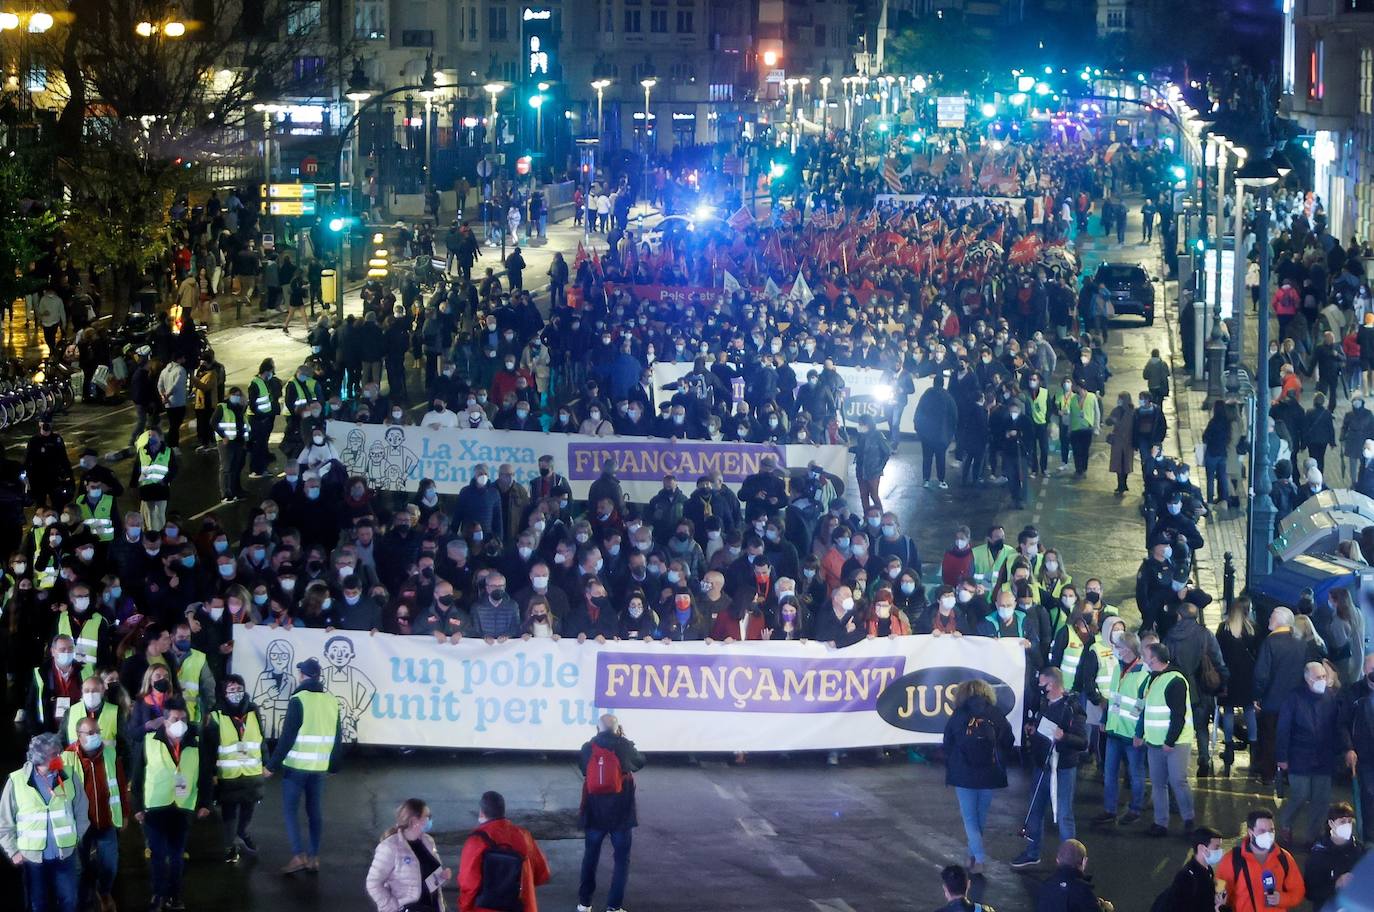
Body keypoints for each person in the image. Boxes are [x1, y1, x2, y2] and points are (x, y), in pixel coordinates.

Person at [130, 698, 212, 912]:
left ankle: (174, 896)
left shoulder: (195, 743)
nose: (180, 723)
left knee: (177, 856)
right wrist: (137, 806)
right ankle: (158, 894)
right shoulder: (149, 741)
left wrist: (205, 802)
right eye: (175, 719)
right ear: (165, 721)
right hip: (155, 807)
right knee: (157, 855)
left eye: (183, 718)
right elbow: (137, 776)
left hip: (183, 806)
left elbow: (204, 775)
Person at [265, 657, 342, 875]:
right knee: (314, 812)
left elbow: (287, 737)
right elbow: (337, 736)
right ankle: (314, 857)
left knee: (290, 811)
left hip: (296, 768)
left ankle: (299, 855)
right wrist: (334, 765)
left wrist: (271, 765)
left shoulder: (298, 699)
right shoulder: (331, 700)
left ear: (302, 676)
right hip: (319, 768)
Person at [0, 733, 88, 912]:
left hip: (65, 855)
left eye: (58, 752)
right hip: (33, 860)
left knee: (69, 901)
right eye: (54, 754)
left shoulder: (69, 775)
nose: (59, 757)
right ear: (40, 758)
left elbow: (81, 808)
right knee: (38, 904)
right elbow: (5, 822)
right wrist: (13, 851)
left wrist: (76, 836)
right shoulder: (16, 781)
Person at [1011, 667, 1087, 869]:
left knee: (1063, 814)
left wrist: (1064, 737)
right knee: (1035, 810)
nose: (1039, 688)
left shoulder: (1072, 708)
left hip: (1061, 769)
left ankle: (1071, 862)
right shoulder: (1045, 703)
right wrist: (1034, 731)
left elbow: (1082, 742)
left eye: (1042, 684)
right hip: (1042, 765)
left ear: (1052, 684)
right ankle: (1033, 852)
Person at [942, 678, 1015, 874]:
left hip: (963, 774)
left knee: (969, 820)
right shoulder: (995, 713)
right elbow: (1009, 739)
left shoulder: (958, 715)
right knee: (979, 818)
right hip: (989, 773)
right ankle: (972, 856)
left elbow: (947, 743)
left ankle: (979, 859)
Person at [577, 713, 645, 912]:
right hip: (621, 816)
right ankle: (614, 907)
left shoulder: (587, 748)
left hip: (594, 813)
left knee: (590, 857)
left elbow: (583, 770)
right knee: (621, 861)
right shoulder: (624, 746)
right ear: (618, 728)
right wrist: (623, 740)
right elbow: (641, 762)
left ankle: (584, 904)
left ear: (597, 729)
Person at [1276, 661, 1349, 846]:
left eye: (1324, 677)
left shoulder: (1330, 697)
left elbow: (1337, 726)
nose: (1322, 680)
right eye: (1318, 677)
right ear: (1307, 678)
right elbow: (1283, 728)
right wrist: (1282, 757)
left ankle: (1313, 837)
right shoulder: (1294, 698)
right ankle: (1285, 824)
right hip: (1299, 756)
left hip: (1324, 758)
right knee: (1300, 795)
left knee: (1321, 800)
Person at [65, 714, 128, 912]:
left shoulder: (109, 753)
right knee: (80, 868)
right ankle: (84, 901)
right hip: (80, 825)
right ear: (78, 735)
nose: (95, 736)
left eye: (97, 732)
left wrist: (125, 813)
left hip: (106, 820)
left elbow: (120, 783)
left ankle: (104, 892)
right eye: (90, 733)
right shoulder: (66, 758)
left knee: (110, 864)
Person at [204, 674, 267, 863]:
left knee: (248, 809)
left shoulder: (253, 711)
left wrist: (266, 763)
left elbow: (261, 740)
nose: (236, 693)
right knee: (229, 812)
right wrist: (213, 774)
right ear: (224, 693)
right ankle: (230, 846)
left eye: (239, 689)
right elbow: (209, 748)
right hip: (228, 775)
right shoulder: (215, 715)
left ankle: (243, 833)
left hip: (252, 772)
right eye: (231, 690)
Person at [457, 790, 550, 912]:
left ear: (481, 813)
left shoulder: (476, 841)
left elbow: (468, 883)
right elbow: (542, 874)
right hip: (521, 905)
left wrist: (464, 907)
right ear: (503, 811)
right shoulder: (524, 835)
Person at [1092, 631, 1148, 826]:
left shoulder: (1143, 672)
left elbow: (1142, 705)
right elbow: (1114, 698)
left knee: (1136, 773)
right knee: (1110, 773)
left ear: (1129, 649)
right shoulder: (1118, 669)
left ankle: (1135, 809)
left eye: (1119, 647)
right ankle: (1110, 809)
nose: (1115, 650)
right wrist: (1105, 718)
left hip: (1132, 734)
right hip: (1115, 731)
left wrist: (1139, 733)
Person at [1140, 641, 1195, 837]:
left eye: (1145, 655)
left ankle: (1189, 819)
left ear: (1154, 659)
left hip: (1175, 743)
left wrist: (1169, 741)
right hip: (1155, 742)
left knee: (1178, 780)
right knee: (1158, 783)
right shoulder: (1154, 678)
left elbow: (1178, 715)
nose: (1143, 658)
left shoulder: (1174, 680)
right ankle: (1160, 822)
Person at [366, 798, 452, 912]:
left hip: (433, 907)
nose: (430, 820)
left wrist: (442, 877)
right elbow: (373, 883)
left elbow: (429, 874)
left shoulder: (428, 841)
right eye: (427, 816)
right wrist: (391, 906)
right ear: (414, 821)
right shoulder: (390, 847)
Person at [1254, 606, 1307, 785]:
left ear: (1279, 621)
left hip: (1272, 702)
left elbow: (1261, 674)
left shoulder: (1270, 642)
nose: (1269, 619)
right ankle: (1288, 775)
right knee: (1291, 739)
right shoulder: (1301, 642)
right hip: (1295, 702)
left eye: (1271, 617)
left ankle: (1268, 775)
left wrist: (1257, 696)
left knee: (1269, 739)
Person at [1214, 808, 1305, 912]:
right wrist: (1220, 897)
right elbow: (1220, 885)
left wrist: (1281, 899)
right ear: (1250, 832)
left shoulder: (1284, 858)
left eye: (1271, 830)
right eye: (1262, 831)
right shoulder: (1232, 859)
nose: (1268, 835)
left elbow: (1298, 891)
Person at [1303, 802, 1363, 908]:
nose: (1347, 825)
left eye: (1349, 822)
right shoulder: (1318, 854)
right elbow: (1310, 892)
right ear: (1331, 823)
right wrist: (1336, 884)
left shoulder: (1358, 849)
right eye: (1342, 822)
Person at [1034, 840, 1112, 912]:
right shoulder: (1084, 892)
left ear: (1057, 860)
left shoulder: (1045, 885)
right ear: (1084, 861)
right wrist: (1106, 909)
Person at [1162, 825, 1225, 912]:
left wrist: (1218, 899)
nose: (1220, 851)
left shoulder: (1208, 869)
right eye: (1216, 847)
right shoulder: (1185, 877)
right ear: (1202, 848)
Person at [853, 415, 891, 513]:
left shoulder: (878, 435)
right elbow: (860, 450)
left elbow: (886, 452)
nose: (859, 425)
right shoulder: (861, 435)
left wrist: (879, 468)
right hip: (861, 471)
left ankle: (880, 517)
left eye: (861, 423)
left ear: (868, 424)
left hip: (873, 472)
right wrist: (848, 448)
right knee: (863, 496)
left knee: (874, 495)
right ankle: (867, 518)